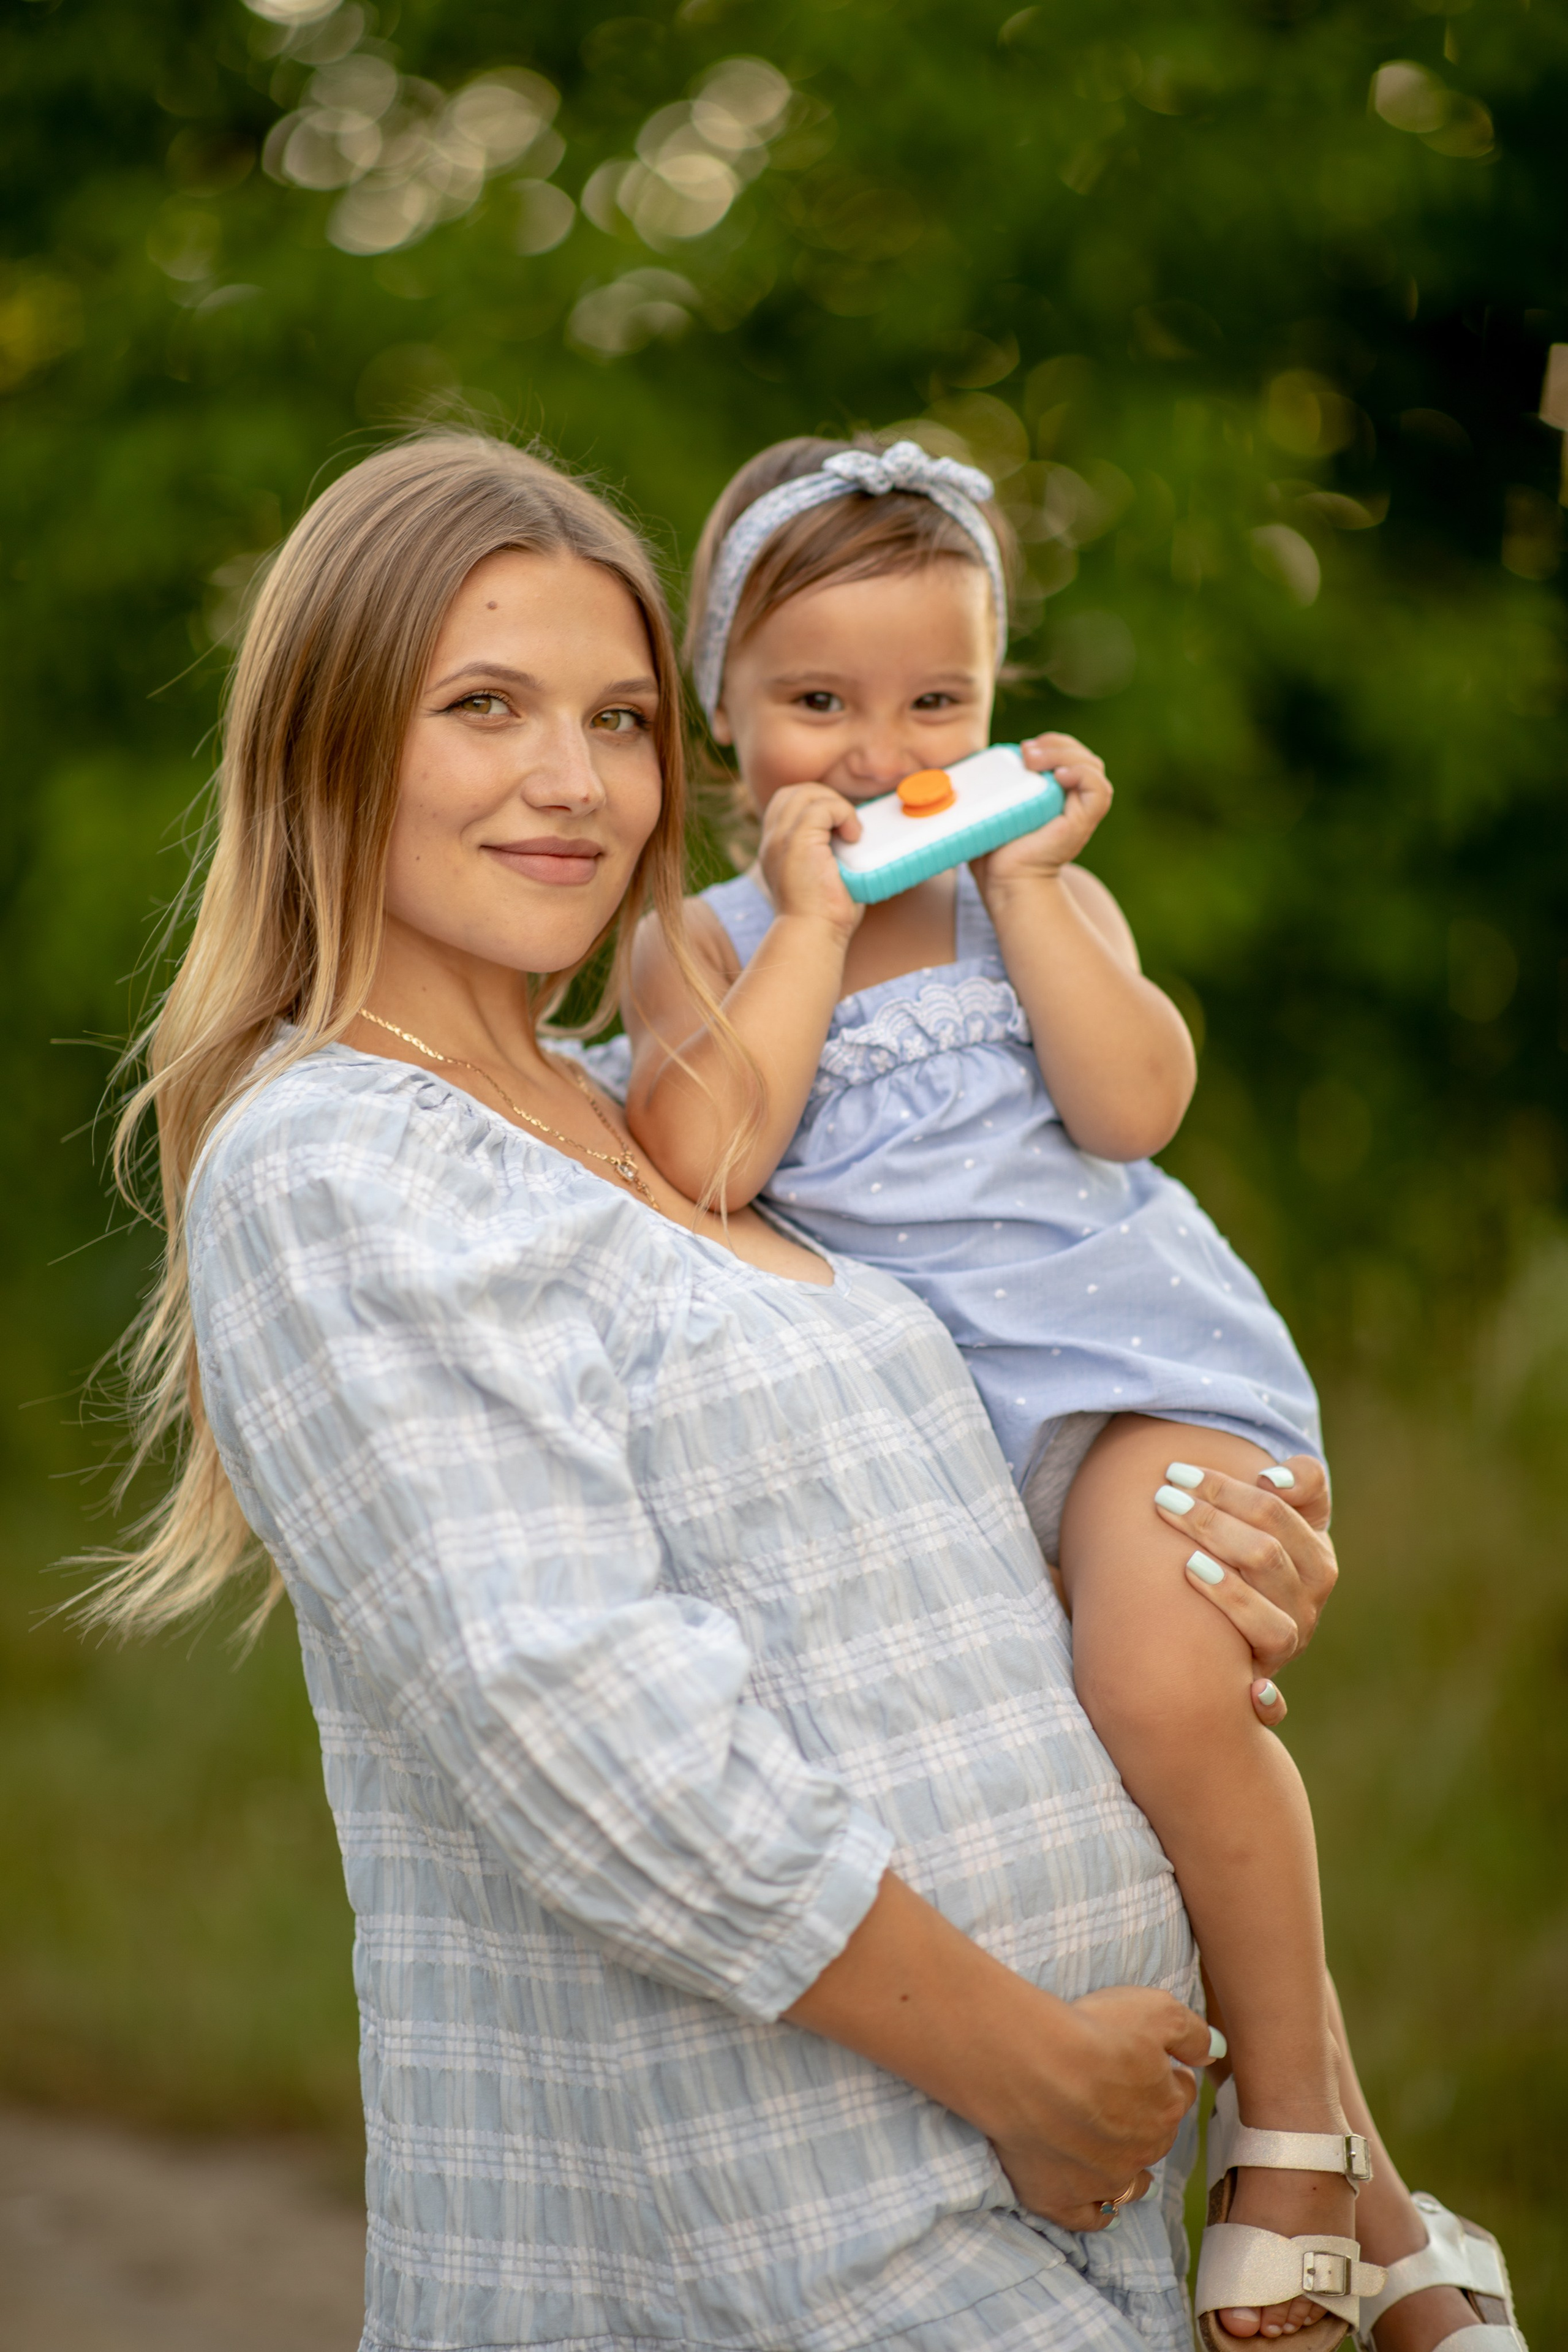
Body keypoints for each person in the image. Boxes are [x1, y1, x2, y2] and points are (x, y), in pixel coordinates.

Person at [92, 428, 1354, 2352]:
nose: (570, 781)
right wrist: (1027, 2065)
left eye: (611, 719)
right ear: (331, 747)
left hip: (1063, 2207)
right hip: (781, 2229)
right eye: (484, 707)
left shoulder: (655, 1112)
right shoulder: (345, 1160)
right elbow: (585, 1726)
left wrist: (1199, 1562)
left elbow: (913, 1548)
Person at [620, 435, 1526, 2352]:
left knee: (1159, 1694)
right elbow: (706, 1148)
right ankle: (1397, 2239)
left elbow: (1134, 1109)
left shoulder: (1030, 908)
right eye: (817, 705)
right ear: (721, 718)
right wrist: (800, 929)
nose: (878, 755)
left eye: (935, 700)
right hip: (960, 1463)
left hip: (1134, 1385)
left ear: (997, 708)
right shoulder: (695, 946)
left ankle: (1283, 2145)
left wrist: (1035, 895)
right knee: (1109, 1807)